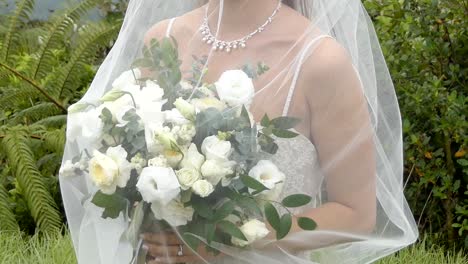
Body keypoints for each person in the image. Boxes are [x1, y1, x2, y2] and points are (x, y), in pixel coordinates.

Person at [59, 1, 419, 263]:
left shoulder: (320, 62)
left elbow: (355, 214)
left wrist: (221, 240)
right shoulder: (163, 39)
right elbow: (127, 161)